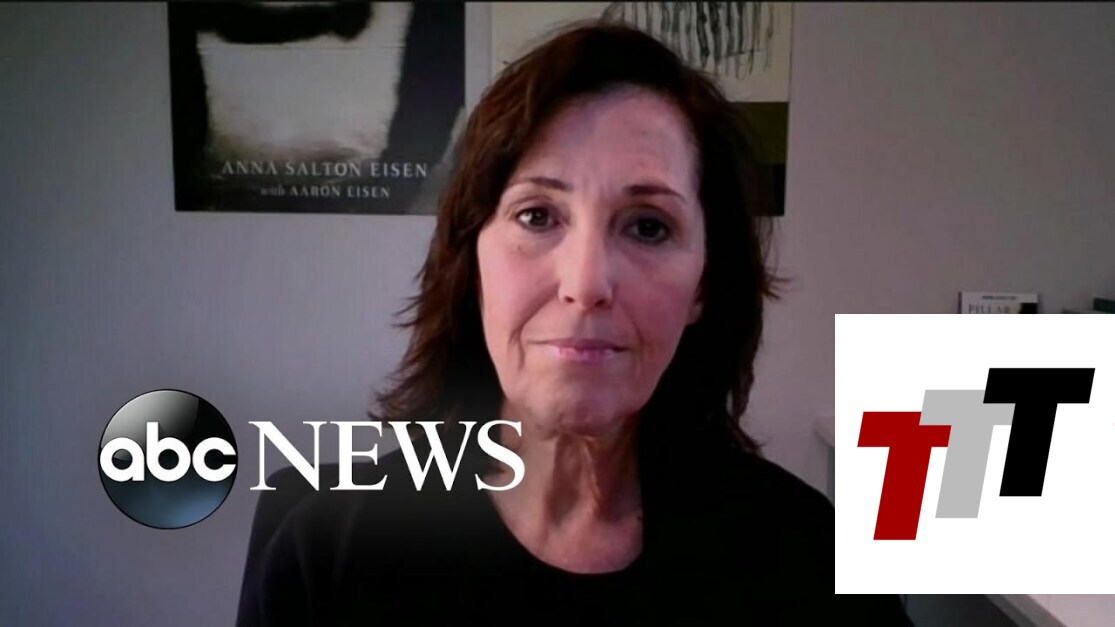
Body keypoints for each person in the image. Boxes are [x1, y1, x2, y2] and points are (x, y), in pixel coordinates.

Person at [237, 21, 910, 626]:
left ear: (704, 284)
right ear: (473, 262)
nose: (585, 284)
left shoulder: (810, 564)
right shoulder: (326, 557)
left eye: (648, 227)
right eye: (537, 216)